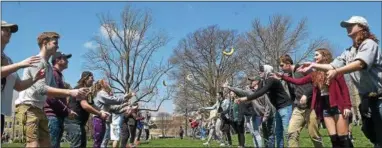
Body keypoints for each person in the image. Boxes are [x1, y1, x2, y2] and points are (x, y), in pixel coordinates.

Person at [299, 16, 382, 147]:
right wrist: (313, 65)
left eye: (351, 25)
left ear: (361, 27)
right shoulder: (349, 51)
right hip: (366, 99)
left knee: (380, 137)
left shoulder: (369, 44)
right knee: (372, 134)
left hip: (379, 98)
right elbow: (332, 66)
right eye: (346, 25)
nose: (347, 27)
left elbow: (360, 64)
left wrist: (338, 71)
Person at [14, 32, 90, 147]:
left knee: (47, 144)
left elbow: (54, 91)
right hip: (28, 107)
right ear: (45, 43)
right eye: (55, 43)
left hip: (39, 109)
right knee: (33, 145)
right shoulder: (37, 61)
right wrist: (70, 92)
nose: (57, 46)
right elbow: (41, 88)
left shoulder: (48, 66)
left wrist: (75, 96)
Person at [274, 48, 353, 147]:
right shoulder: (314, 74)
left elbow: (344, 89)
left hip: (337, 105)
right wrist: (283, 77)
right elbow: (299, 82)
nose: (314, 57)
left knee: (343, 138)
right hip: (325, 107)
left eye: (317, 55)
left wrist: (347, 106)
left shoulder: (334, 70)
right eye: (314, 55)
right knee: (334, 138)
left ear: (324, 56)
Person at [1, 20, 44, 137]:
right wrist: (20, 64)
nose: (9, 32)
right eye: (4, 29)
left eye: (10, 30)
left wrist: (35, 79)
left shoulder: (8, 60)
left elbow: (19, 86)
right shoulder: (14, 64)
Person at [236, 64, 293, 148]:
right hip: (278, 109)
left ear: (267, 70)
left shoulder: (271, 80)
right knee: (278, 133)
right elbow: (256, 93)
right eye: (259, 70)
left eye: (262, 70)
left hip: (285, 107)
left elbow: (261, 92)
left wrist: (245, 98)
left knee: (287, 133)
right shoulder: (264, 81)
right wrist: (240, 95)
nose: (259, 71)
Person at [278, 54, 323, 147]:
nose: (280, 67)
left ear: (288, 63)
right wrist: (294, 107)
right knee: (291, 133)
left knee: (314, 135)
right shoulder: (288, 77)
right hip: (298, 109)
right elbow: (293, 95)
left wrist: (306, 95)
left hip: (311, 107)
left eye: (282, 65)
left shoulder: (302, 69)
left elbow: (315, 83)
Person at [223, 76, 276, 148]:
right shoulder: (251, 92)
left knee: (270, 135)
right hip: (260, 115)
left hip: (269, 115)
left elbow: (268, 106)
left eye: (252, 81)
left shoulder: (263, 91)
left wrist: (265, 117)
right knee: (264, 135)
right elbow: (241, 92)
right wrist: (229, 87)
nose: (250, 82)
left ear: (257, 82)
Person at [64, 71, 109, 148]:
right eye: (92, 78)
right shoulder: (79, 89)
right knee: (77, 146)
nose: (93, 80)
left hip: (80, 124)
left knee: (82, 145)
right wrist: (100, 114)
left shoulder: (88, 92)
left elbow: (92, 104)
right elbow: (85, 105)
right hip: (74, 123)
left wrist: (101, 110)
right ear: (85, 79)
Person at [44, 51, 78, 148]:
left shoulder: (58, 75)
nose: (67, 61)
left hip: (57, 116)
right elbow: (51, 97)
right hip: (52, 116)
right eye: (65, 58)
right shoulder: (54, 74)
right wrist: (67, 110)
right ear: (58, 60)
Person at [91, 79, 133, 148]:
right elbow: (113, 100)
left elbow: (114, 108)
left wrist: (125, 105)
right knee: (100, 142)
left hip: (102, 120)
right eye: (105, 82)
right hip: (99, 119)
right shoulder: (101, 93)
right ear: (102, 85)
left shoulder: (102, 94)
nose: (107, 83)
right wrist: (126, 96)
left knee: (102, 141)